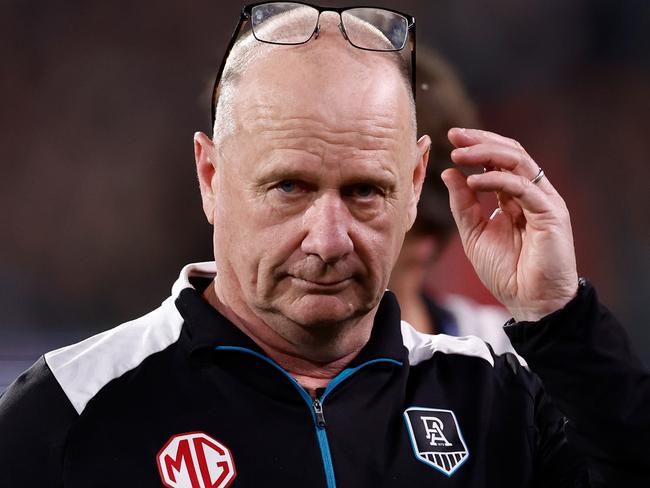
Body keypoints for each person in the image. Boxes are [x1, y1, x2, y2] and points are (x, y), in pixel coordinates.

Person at [0, 3, 646, 486]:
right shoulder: (73, 410)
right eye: (289, 186)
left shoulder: (496, 399)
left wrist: (559, 316)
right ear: (212, 177)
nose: (330, 238)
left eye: (366, 191)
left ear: (415, 179)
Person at [388, 46, 514, 354]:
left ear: (425, 232)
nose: (325, 233)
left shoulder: (506, 359)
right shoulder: (256, 369)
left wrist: (555, 309)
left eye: (363, 192)